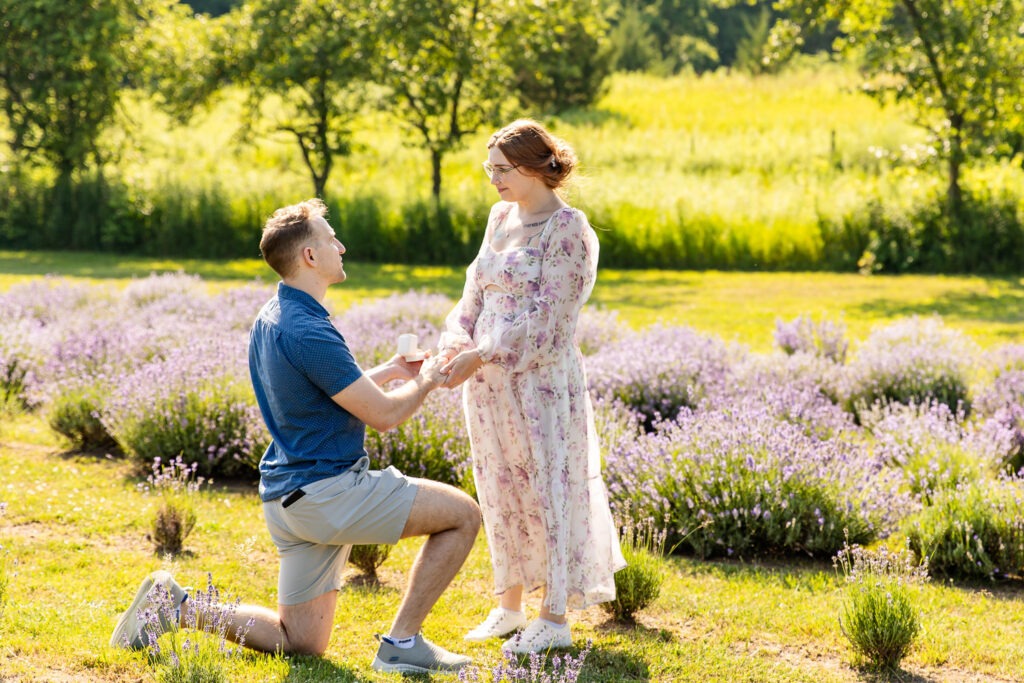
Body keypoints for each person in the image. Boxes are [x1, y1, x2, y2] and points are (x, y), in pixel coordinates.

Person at [110, 198, 481, 675]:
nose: (341, 246)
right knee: (463, 515)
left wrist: (389, 370)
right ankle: (401, 644)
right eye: (331, 239)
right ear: (309, 256)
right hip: (329, 493)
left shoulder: (277, 312)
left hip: (290, 499)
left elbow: (319, 395)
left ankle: (176, 605)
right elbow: (385, 417)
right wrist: (427, 379)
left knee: (300, 642)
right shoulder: (309, 330)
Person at [439, 119, 626, 654]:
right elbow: (472, 292)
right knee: (501, 487)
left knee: (549, 489)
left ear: (531, 168)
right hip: (489, 385)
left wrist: (483, 351)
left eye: (500, 169)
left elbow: (552, 319)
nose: (491, 179)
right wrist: (456, 338)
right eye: (489, 168)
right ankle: (510, 605)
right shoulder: (499, 217)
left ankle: (556, 616)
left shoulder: (568, 228)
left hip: (540, 384)